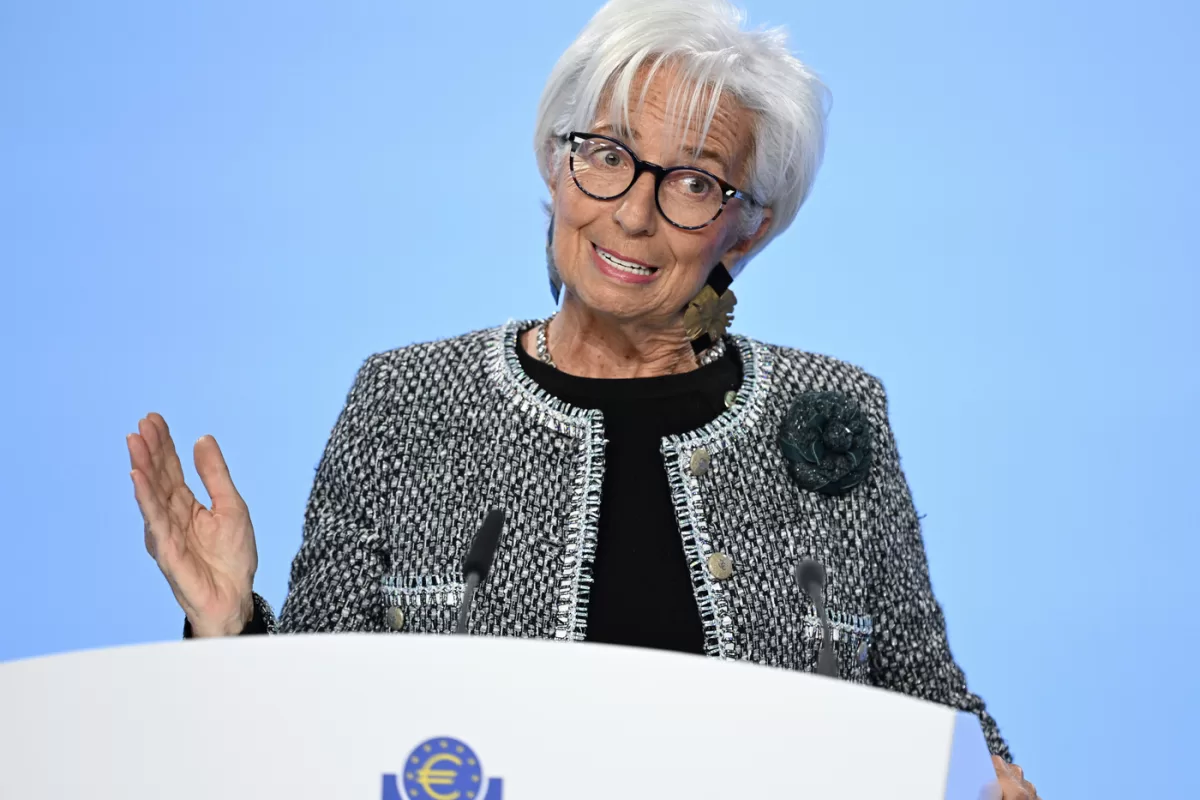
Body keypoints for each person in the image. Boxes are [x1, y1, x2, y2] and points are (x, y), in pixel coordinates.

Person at [127, 1, 1039, 796]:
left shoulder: (836, 410)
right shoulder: (405, 401)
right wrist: (228, 628)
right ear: (556, 164)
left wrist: (989, 776)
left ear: (745, 230)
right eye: (607, 155)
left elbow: (929, 700)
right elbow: (318, 723)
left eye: (694, 182)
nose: (633, 214)